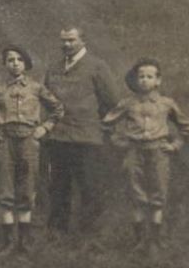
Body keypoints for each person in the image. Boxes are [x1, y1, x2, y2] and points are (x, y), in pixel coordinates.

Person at [0, 46, 64, 252]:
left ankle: (25, 241)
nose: (15, 63)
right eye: (10, 59)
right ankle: (8, 242)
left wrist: (44, 128)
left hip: (29, 141)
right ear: (5, 64)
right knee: (6, 190)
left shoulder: (37, 88)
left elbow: (58, 109)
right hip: (6, 142)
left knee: (27, 190)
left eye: (19, 59)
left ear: (26, 64)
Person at [102, 59, 188, 253]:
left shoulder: (167, 104)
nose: (144, 80)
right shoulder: (127, 103)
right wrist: (120, 142)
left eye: (149, 77)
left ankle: (155, 241)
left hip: (159, 153)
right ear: (135, 79)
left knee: (158, 194)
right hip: (135, 152)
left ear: (158, 80)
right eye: (141, 76)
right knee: (137, 194)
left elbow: (185, 127)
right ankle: (139, 241)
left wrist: (175, 145)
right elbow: (107, 124)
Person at [42, 26, 121, 234]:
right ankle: (57, 235)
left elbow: (112, 102)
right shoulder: (53, 68)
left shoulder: (97, 67)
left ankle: (90, 237)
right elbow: (46, 100)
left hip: (87, 139)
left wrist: (96, 125)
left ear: (83, 41)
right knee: (58, 188)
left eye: (71, 40)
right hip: (58, 138)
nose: (66, 45)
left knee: (90, 189)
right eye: (63, 41)